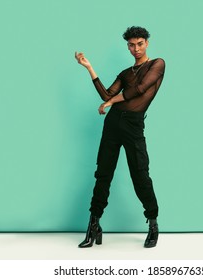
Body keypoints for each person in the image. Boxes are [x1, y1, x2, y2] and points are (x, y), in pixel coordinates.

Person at [75, 26, 165, 248]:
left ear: (147, 43)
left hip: (133, 126)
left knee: (140, 175)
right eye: (131, 45)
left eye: (140, 44)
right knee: (103, 174)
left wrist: (111, 101)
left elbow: (140, 90)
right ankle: (94, 224)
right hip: (113, 124)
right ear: (127, 46)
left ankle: (153, 222)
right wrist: (89, 68)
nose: (136, 49)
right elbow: (107, 93)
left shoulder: (157, 65)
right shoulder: (125, 73)